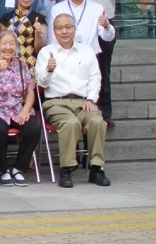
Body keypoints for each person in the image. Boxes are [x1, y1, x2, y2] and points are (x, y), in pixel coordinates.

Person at [35, 13, 111, 188]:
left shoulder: (86, 51)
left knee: (97, 121)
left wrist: (91, 99)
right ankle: (66, 169)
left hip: (83, 102)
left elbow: (95, 78)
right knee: (70, 123)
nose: (64, 31)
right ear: (54, 31)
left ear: (75, 29)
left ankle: (96, 168)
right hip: (56, 102)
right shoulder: (46, 52)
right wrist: (49, 70)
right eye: (59, 28)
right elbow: (41, 83)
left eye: (68, 27)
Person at [78, 0, 134, 126]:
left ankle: (104, 112)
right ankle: (82, 109)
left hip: (104, 25)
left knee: (103, 69)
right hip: (80, 26)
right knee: (81, 68)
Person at [0, 29, 40, 186]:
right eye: (4, 43)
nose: (8, 47)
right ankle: (3, 170)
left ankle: (18, 168)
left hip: (17, 109)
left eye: (12, 43)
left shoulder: (21, 65)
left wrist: (26, 109)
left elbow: (30, 91)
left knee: (33, 128)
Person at [0, 0, 46, 74]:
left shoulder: (39, 18)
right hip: (8, 61)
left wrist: (39, 33)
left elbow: (39, 48)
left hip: (29, 63)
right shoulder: (6, 18)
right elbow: (1, 44)